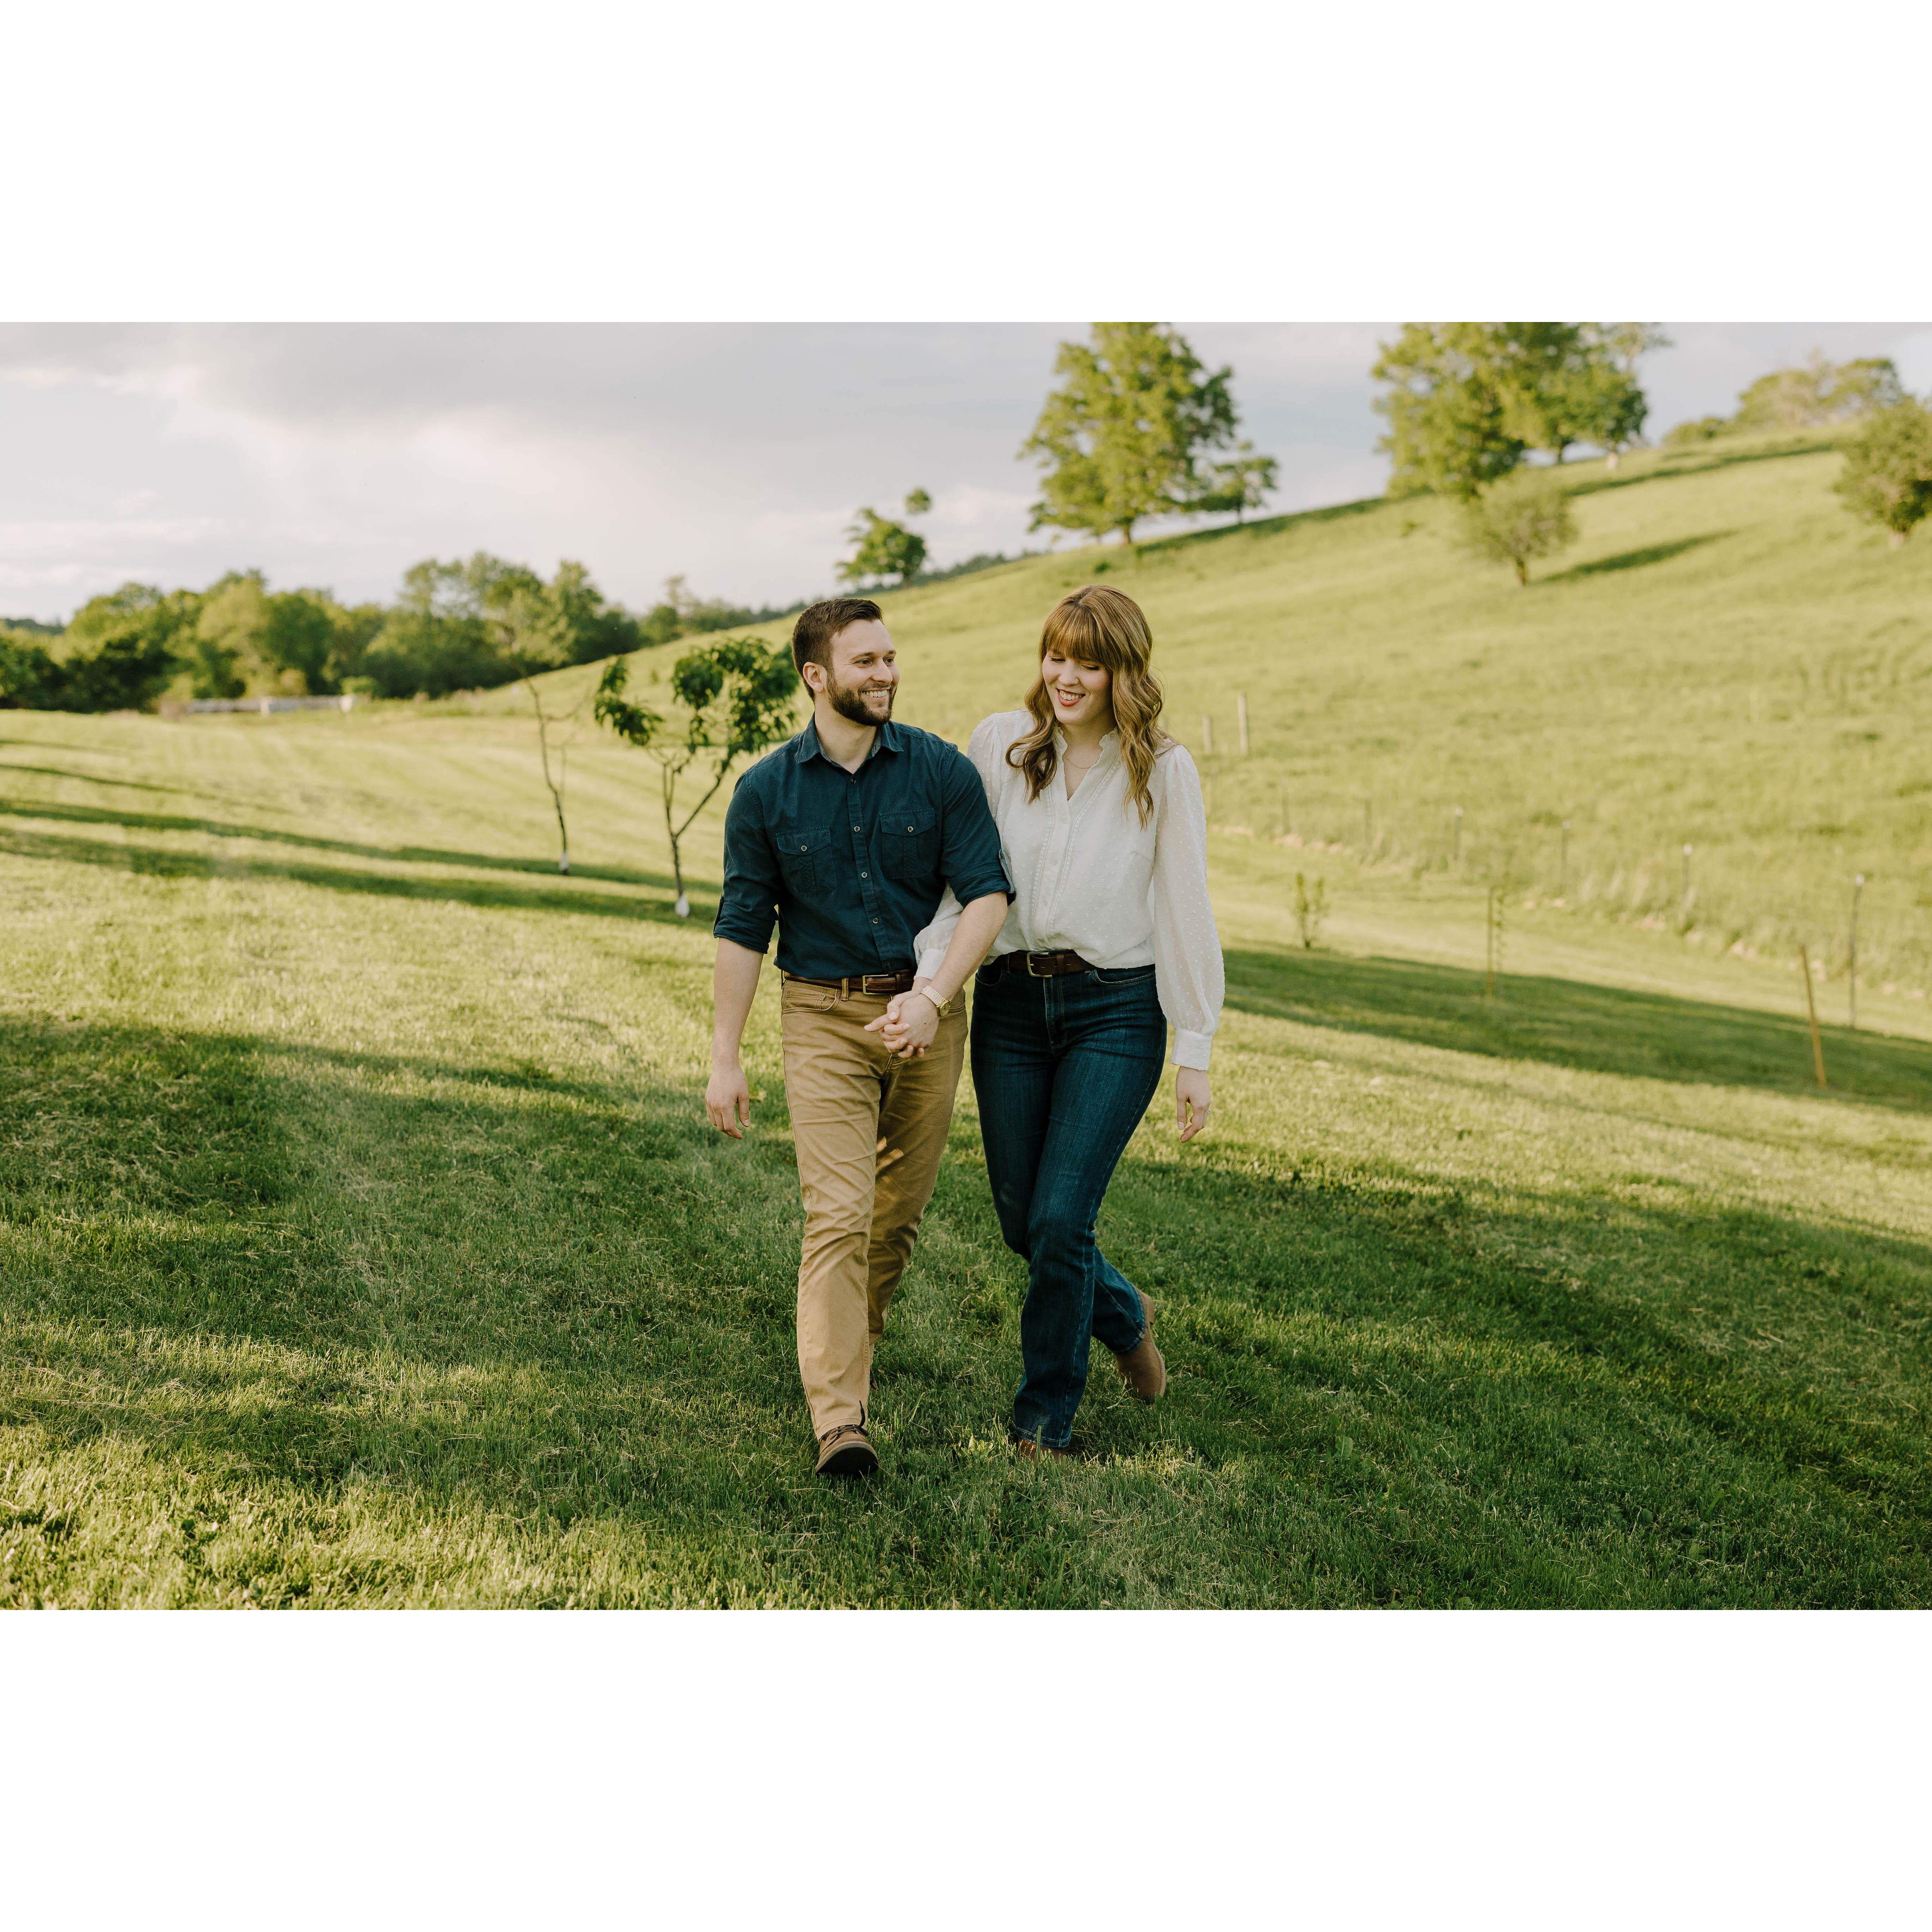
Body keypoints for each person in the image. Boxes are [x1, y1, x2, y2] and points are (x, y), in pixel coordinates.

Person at [883, 584, 1222, 1457]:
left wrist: (1196, 1046)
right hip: (1009, 1005)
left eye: (1091, 662)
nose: (1067, 676)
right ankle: (1123, 1312)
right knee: (1019, 1221)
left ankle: (1045, 1413)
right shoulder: (1002, 745)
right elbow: (968, 883)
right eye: (1057, 655)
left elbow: (1186, 906)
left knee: (1062, 1218)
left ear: (1124, 672)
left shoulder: (1163, 769)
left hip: (1116, 1009)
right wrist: (931, 982)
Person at [707, 596, 1011, 1479]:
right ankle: (839, 1418)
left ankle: (839, 1346)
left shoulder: (940, 771)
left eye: (889, 657)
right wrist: (724, 1058)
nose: (885, 673)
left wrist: (933, 996)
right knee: (838, 1213)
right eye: (865, 661)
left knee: (896, 1222)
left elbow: (988, 894)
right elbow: (740, 925)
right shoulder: (765, 791)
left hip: (928, 1015)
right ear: (817, 676)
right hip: (823, 1017)